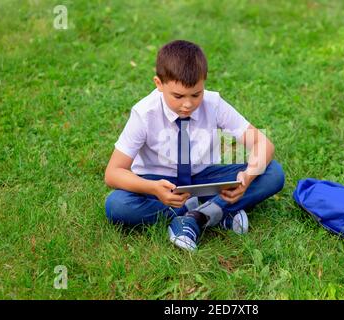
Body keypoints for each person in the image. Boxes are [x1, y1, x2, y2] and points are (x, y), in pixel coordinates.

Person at [104, 40, 285, 251]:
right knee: (117, 205)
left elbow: (262, 143)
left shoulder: (213, 103)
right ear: (159, 84)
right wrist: (153, 188)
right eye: (178, 96)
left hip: (203, 177)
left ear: (204, 83)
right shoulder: (144, 113)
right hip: (158, 182)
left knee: (273, 172)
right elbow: (113, 172)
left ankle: (199, 215)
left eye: (196, 94)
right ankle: (215, 212)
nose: (188, 104)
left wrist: (247, 178)